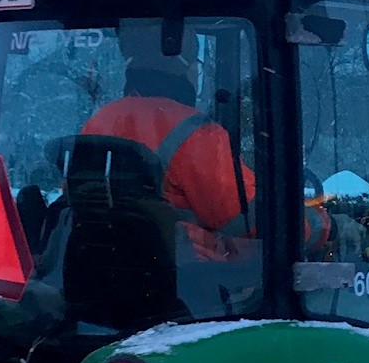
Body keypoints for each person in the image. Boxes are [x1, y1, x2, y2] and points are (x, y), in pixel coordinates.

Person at [81, 30, 253, 258]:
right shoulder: (197, 134)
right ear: (181, 65)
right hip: (184, 280)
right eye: (194, 62)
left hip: (107, 268)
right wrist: (316, 226)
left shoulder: (99, 122)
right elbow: (251, 220)